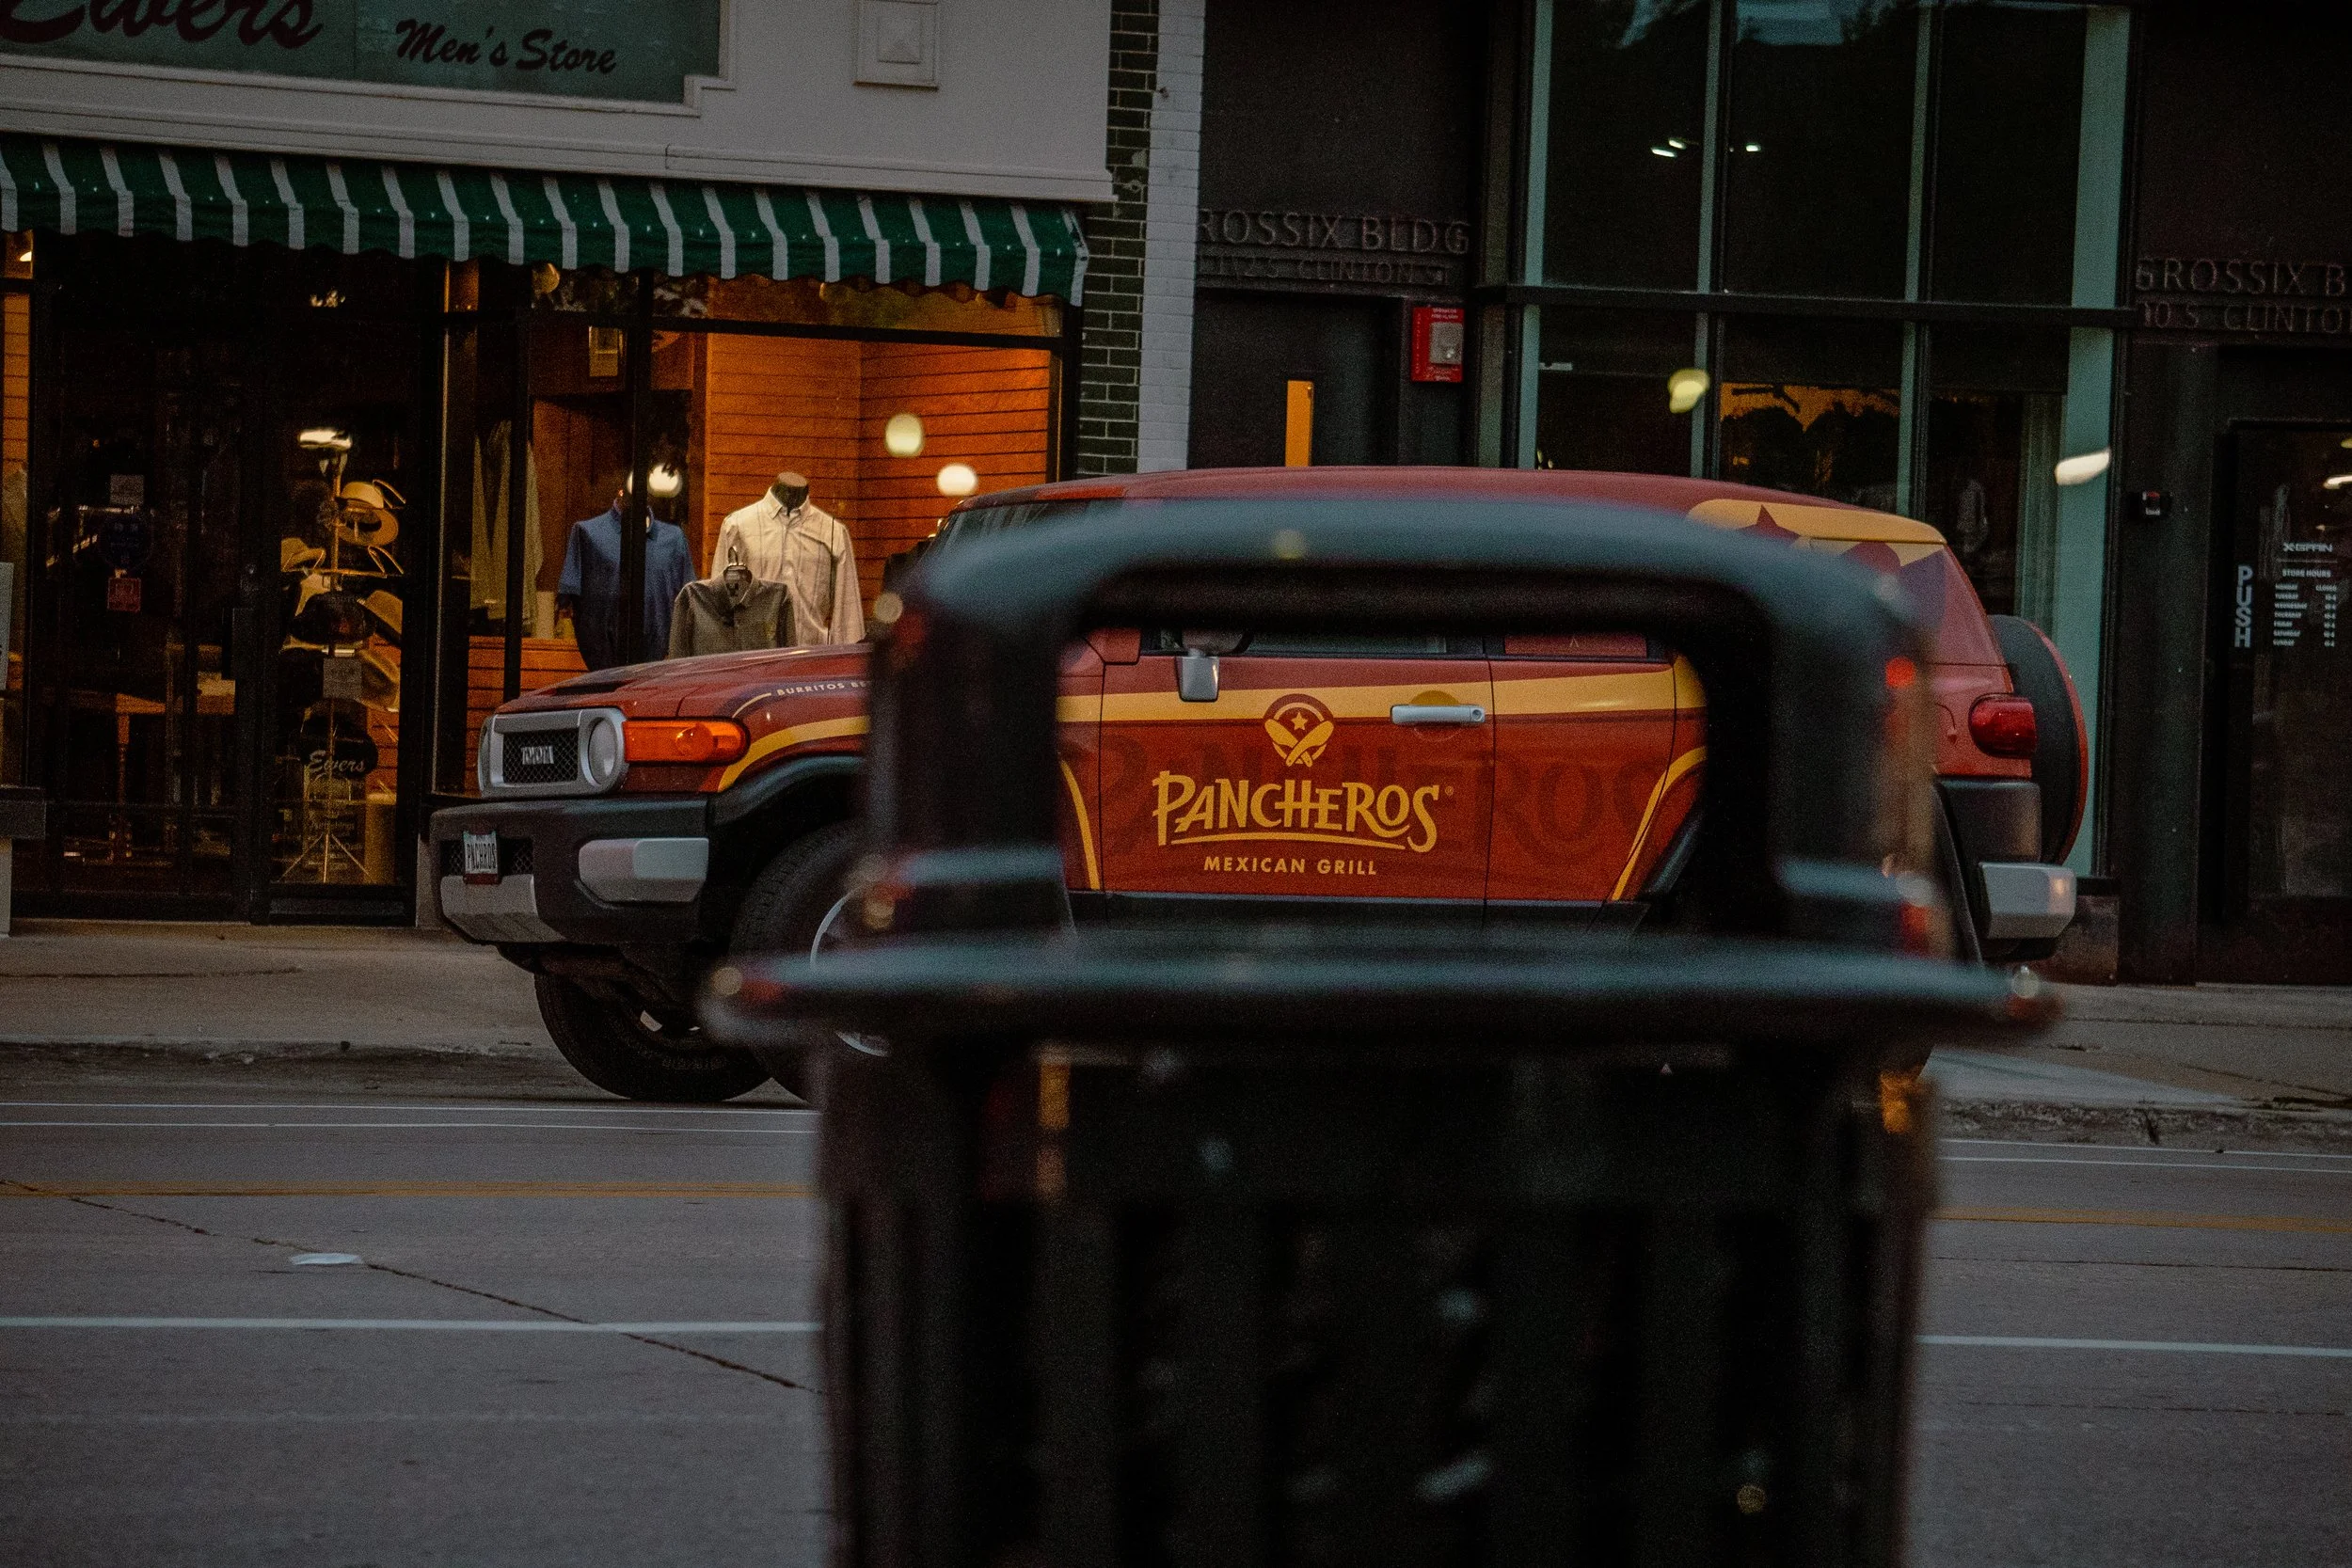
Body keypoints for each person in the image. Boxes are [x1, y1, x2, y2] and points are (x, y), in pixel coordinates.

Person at [557, 468, 692, 670]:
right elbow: (566, 603)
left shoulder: (673, 539)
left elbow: (688, 602)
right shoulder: (587, 533)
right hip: (604, 666)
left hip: (658, 666)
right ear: (621, 491)